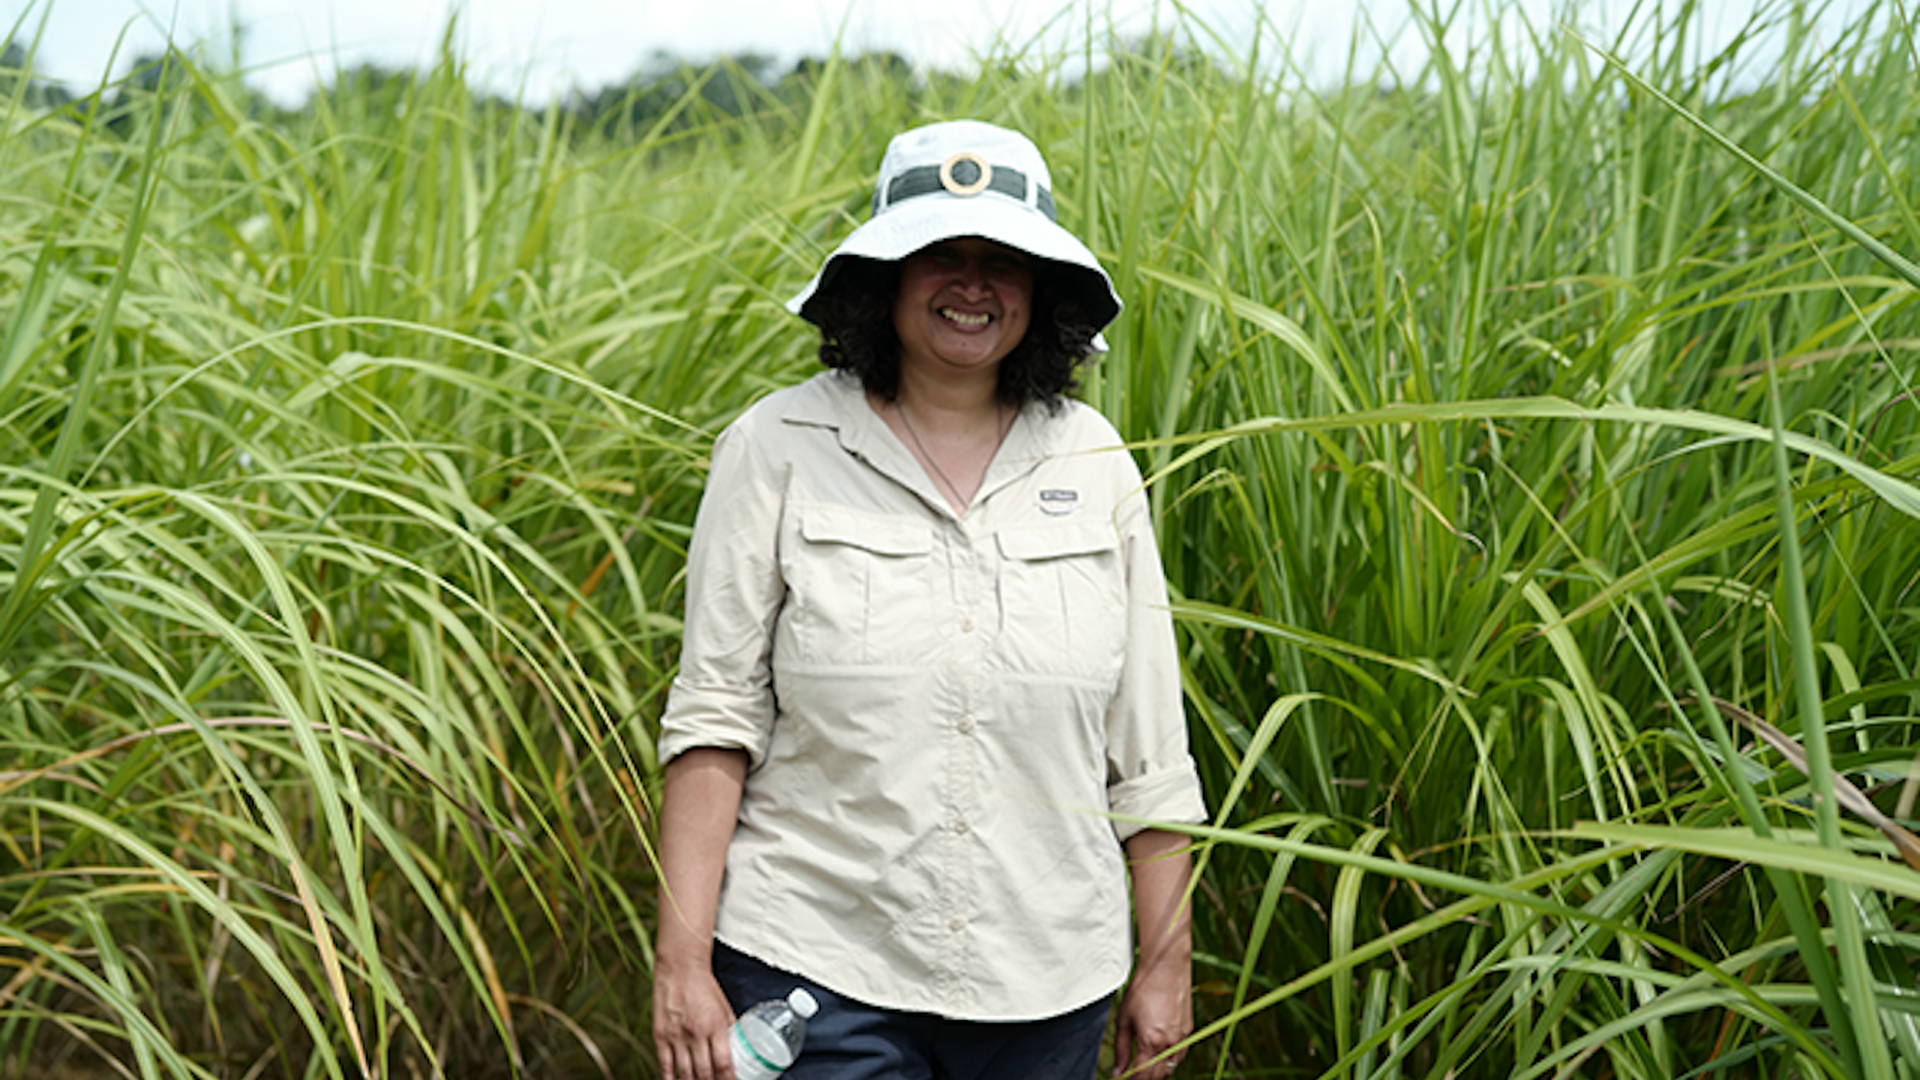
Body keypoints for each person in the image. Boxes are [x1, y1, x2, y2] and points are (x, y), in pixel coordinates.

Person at [651, 119, 1207, 1080]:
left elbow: (1148, 750)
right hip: (812, 971)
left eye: (1004, 260)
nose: (972, 284)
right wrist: (681, 960)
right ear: (883, 279)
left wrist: (1166, 965)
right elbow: (714, 718)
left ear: (1041, 290)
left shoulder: (1095, 461)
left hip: (1048, 981)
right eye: (938, 254)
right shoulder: (776, 447)